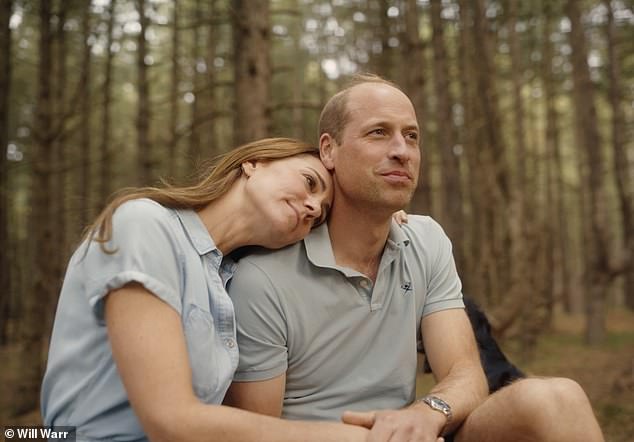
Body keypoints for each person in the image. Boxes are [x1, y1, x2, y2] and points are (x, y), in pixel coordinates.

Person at [224, 75, 605, 442]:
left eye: (411, 136)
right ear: (328, 149)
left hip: (416, 433)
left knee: (558, 399)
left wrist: (424, 414)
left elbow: (466, 373)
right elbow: (255, 433)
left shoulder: (426, 240)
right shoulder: (263, 275)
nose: (401, 151)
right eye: (378, 132)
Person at [41, 138, 371, 442]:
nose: (313, 208)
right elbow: (169, 420)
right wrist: (352, 438)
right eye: (310, 182)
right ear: (254, 163)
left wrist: (378, 221)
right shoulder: (145, 224)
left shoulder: (231, 283)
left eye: (321, 216)